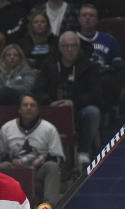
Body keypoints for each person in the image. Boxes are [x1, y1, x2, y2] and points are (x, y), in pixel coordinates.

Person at [33, 31, 101, 165]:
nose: (70, 49)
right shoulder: (49, 64)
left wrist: (74, 102)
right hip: (52, 109)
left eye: (73, 46)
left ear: (78, 47)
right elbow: (38, 90)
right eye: (66, 46)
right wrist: (50, 102)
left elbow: (95, 94)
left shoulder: (89, 66)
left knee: (92, 112)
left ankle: (83, 151)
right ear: (60, 48)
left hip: (78, 109)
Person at [0, 94, 64, 206]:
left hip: (38, 170)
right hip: (15, 170)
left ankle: (48, 208)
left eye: (32, 105)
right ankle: (0, 205)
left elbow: (58, 158)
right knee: (2, 167)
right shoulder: (7, 128)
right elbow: (0, 155)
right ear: (19, 109)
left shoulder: (49, 128)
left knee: (52, 167)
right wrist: (12, 159)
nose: (28, 108)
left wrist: (44, 158)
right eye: (25, 105)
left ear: (37, 110)